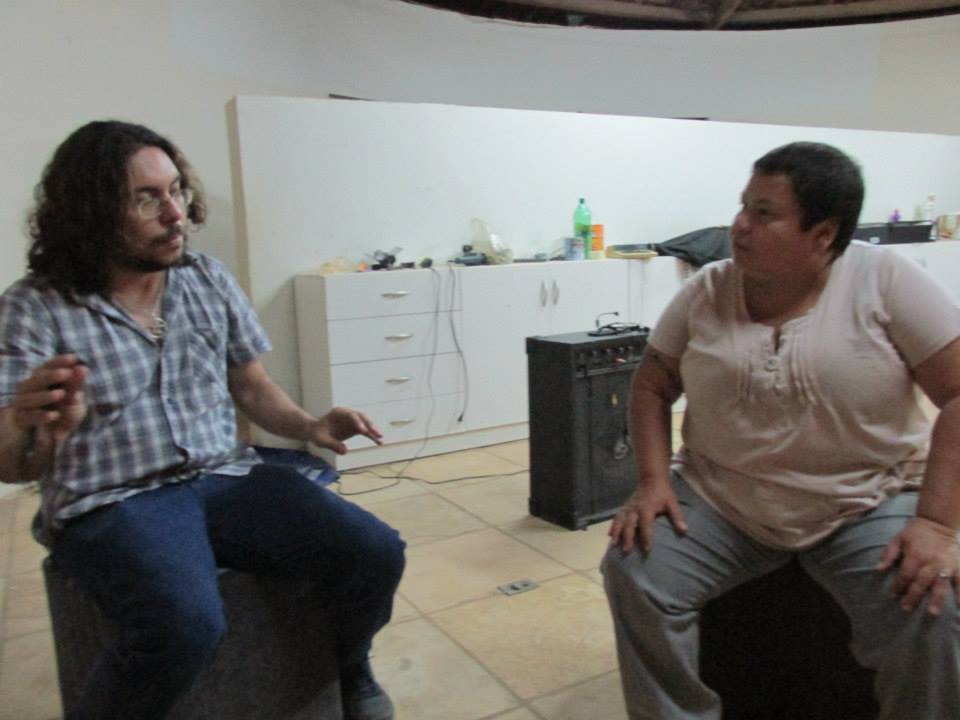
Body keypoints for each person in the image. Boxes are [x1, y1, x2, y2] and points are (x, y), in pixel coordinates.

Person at [0, 120, 405, 720]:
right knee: (184, 623)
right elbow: (11, 465)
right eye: (147, 199)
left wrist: (308, 426)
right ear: (89, 211)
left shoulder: (206, 278)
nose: (176, 214)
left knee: (375, 551)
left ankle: (348, 665)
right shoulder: (34, 306)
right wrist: (42, 434)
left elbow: (252, 385)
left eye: (176, 191)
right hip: (113, 499)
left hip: (224, 477)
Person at [602, 141, 960, 719]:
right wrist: (652, 481)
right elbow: (653, 382)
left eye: (764, 213)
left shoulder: (885, 280)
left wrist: (937, 524)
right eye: (743, 206)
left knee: (930, 602)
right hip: (725, 500)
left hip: (866, 498)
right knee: (636, 570)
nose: (739, 225)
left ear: (823, 234)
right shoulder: (707, 289)